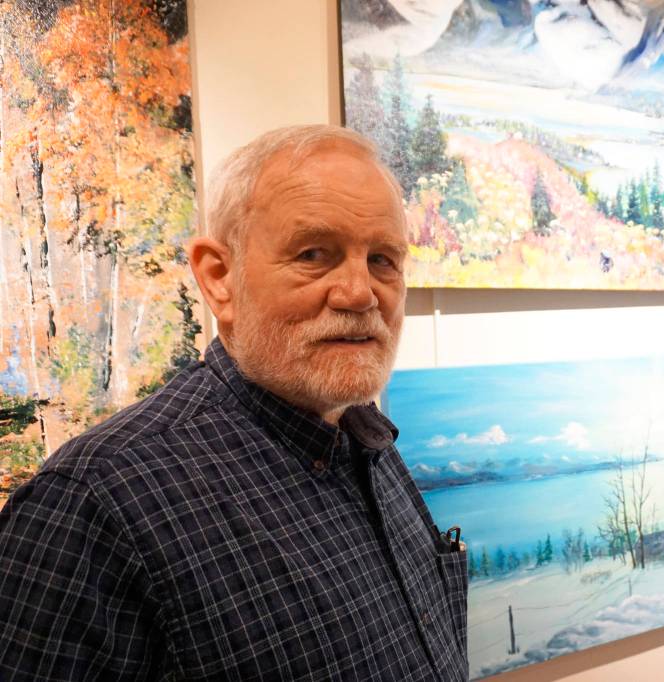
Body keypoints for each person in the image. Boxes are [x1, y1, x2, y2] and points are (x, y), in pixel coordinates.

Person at [0, 125, 469, 681]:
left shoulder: (368, 442)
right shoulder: (93, 504)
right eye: (314, 254)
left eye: (383, 260)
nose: (360, 293)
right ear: (219, 278)